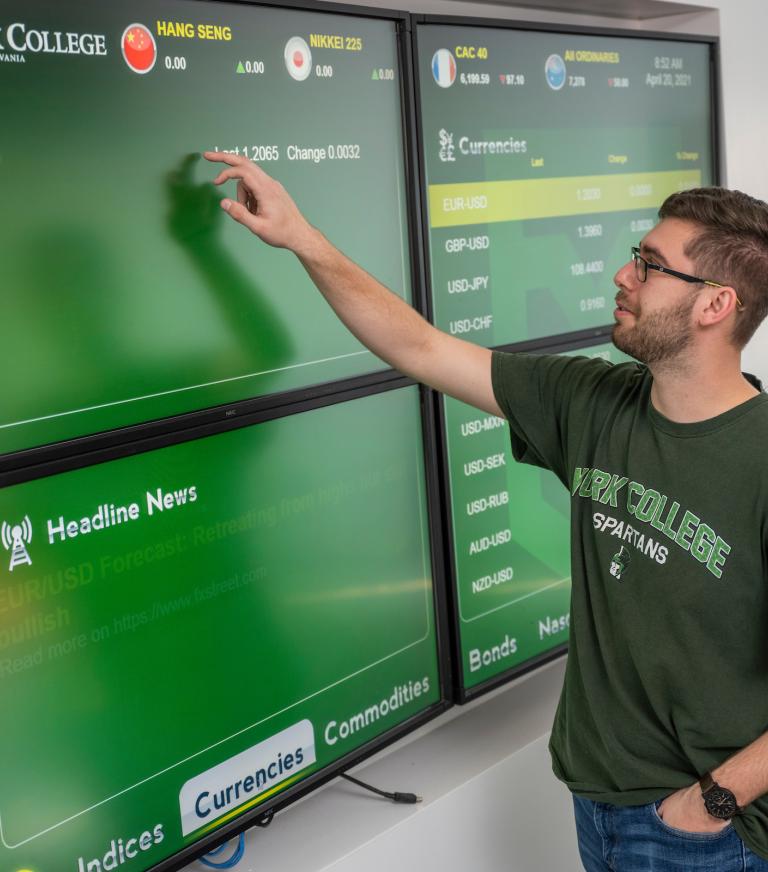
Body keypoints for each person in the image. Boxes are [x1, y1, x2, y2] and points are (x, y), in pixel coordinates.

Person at [204, 151, 768, 871]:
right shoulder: (590, 400)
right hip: (596, 799)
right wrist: (303, 238)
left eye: (651, 265)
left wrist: (710, 804)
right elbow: (419, 346)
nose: (624, 275)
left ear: (716, 304)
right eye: (635, 256)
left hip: (705, 833)